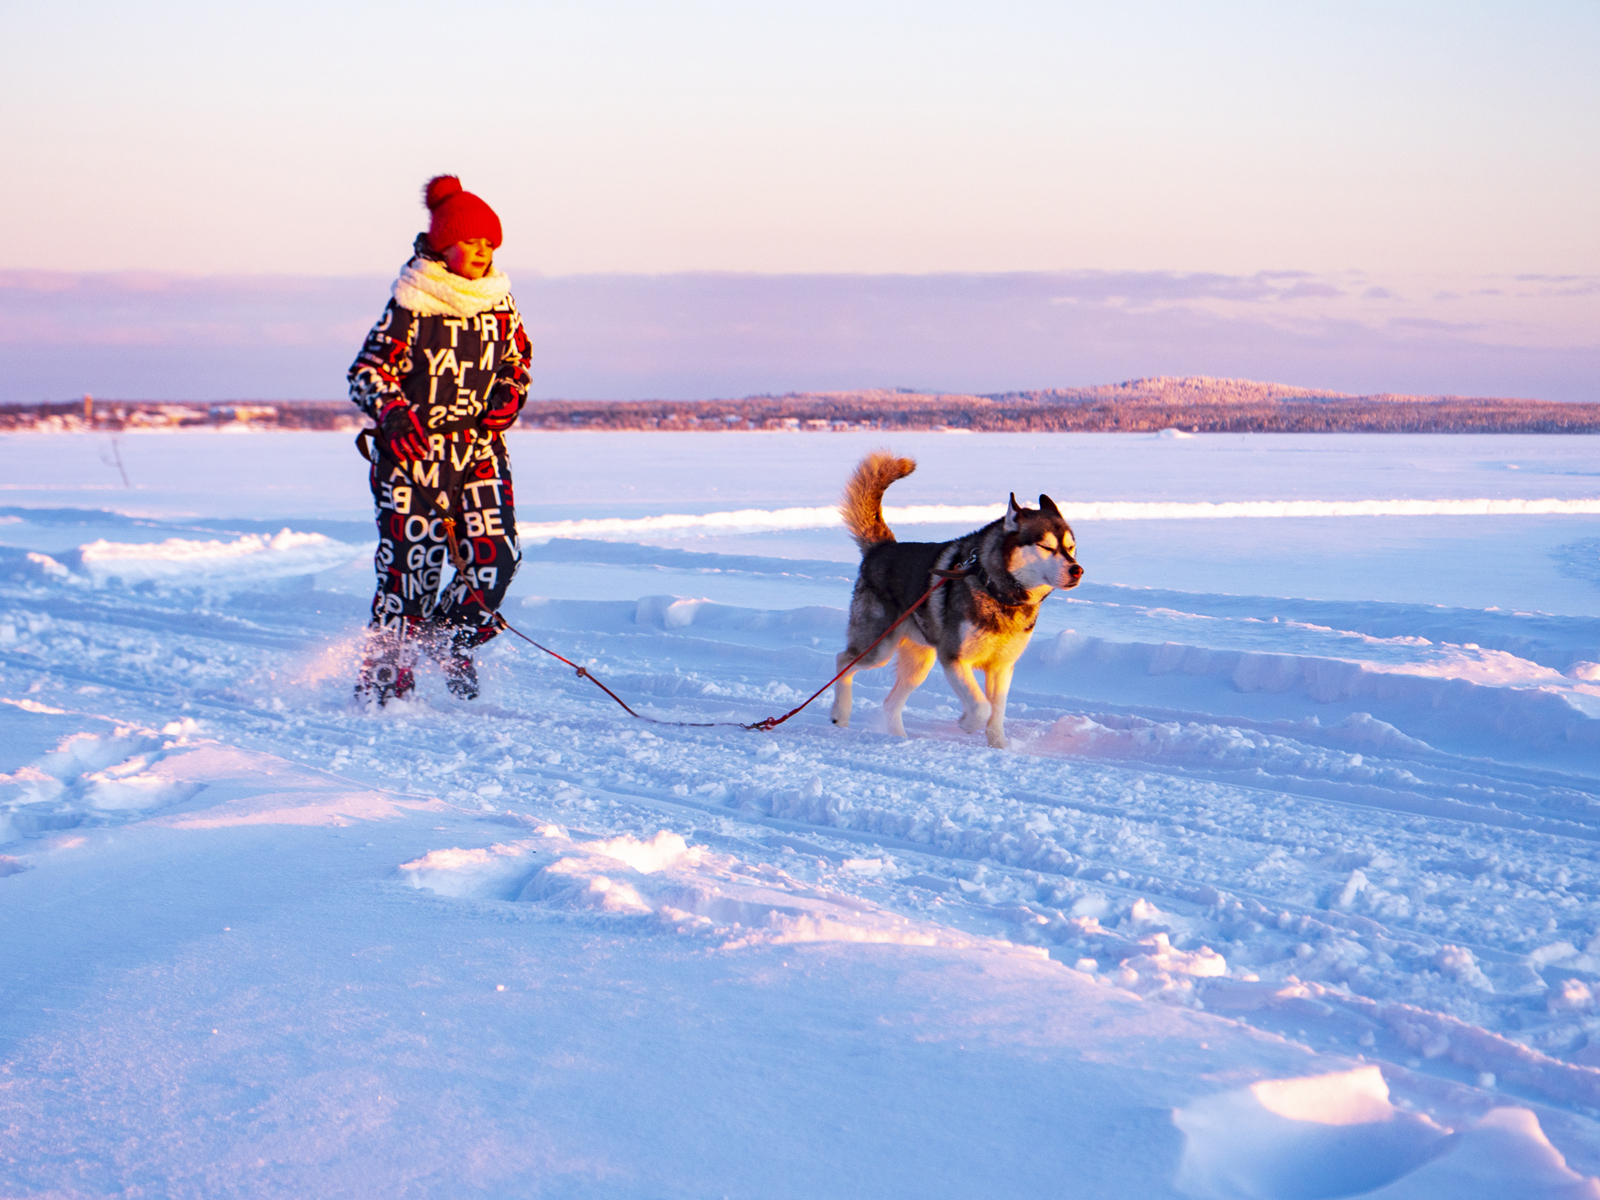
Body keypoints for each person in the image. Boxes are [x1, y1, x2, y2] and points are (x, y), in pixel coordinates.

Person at [348, 175, 531, 704]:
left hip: (479, 450)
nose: (480, 251)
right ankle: (386, 686)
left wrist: (509, 397)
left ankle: (448, 636)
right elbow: (367, 372)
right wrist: (395, 414)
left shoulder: (500, 303)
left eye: (488, 243)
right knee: (412, 573)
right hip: (413, 458)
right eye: (470, 241)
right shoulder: (412, 303)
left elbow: (519, 363)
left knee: (497, 559)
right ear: (443, 244)